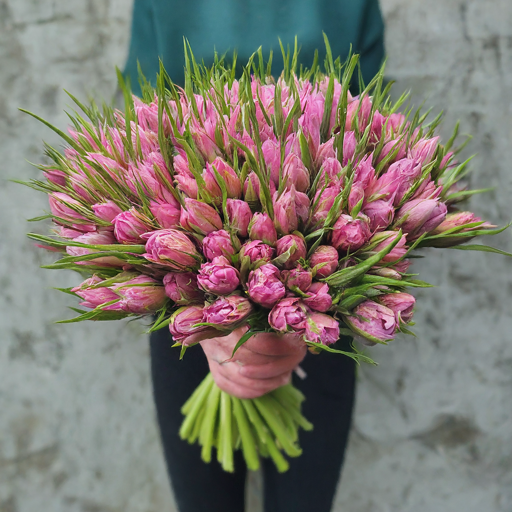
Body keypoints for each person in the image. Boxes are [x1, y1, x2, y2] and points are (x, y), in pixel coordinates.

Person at [124, 2, 384, 511]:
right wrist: (214, 323)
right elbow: (142, 138)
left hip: (325, 289)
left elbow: (369, 139)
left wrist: (294, 325)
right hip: (185, 294)